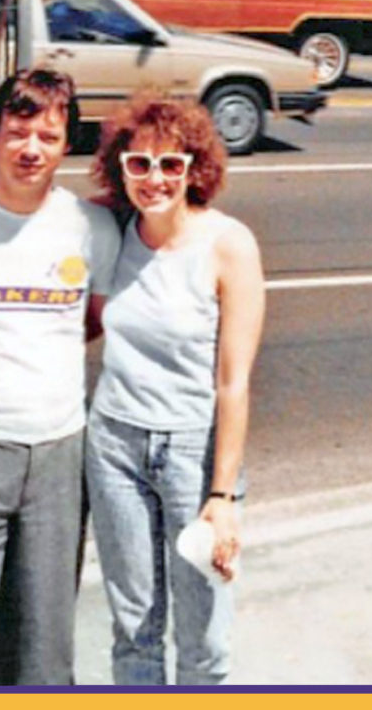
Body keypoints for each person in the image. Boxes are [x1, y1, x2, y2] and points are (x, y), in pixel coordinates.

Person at [0, 69, 120, 685]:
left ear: (66, 141)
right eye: (17, 132)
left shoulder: (89, 229)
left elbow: (91, 322)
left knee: (46, 635)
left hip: (59, 451)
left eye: (47, 133)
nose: (31, 148)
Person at [86, 93, 265, 686]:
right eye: (139, 164)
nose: (155, 178)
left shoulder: (228, 244)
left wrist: (223, 497)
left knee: (203, 635)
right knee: (134, 624)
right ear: (120, 170)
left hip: (193, 453)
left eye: (171, 164)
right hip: (113, 445)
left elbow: (234, 382)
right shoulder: (112, 234)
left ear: (195, 168)